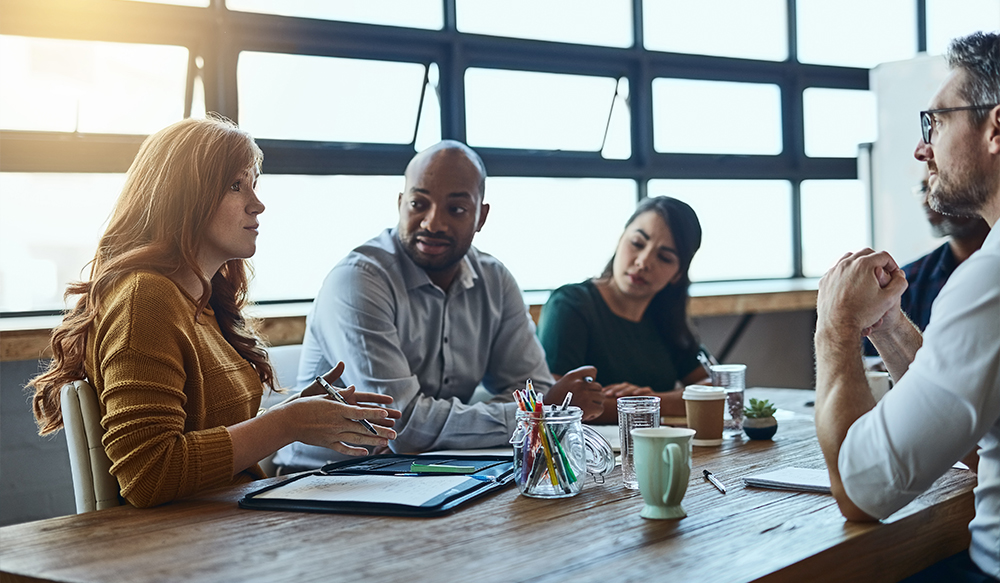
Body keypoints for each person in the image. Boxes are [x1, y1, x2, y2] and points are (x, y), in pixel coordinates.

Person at [27, 116, 398, 508]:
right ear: (183, 197)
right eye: (236, 185)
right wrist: (287, 424)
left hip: (232, 521)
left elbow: (207, 432)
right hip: (189, 538)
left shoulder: (201, 302)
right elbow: (149, 475)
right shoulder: (144, 299)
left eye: (253, 184)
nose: (257, 204)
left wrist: (298, 412)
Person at [272, 140, 604, 472]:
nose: (432, 224)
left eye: (456, 209)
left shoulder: (495, 280)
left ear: (481, 216)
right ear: (400, 204)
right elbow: (402, 426)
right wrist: (530, 414)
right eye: (418, 204)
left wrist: (530, 410)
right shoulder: (358, 279)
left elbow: (532, 389)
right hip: (319, 481)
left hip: (425, 471)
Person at [814, 31, 999, 580]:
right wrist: (888, 325)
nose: (923, 149)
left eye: (935, 123)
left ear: (996, 129)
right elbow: (973, 434)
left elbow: (860, 491)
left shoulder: (989, 279)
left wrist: (837, 325)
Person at [537, 196, 711, 424]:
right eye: (637, 243)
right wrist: (651, 405)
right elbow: (559, 405)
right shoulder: (571, 304)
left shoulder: (666, 317)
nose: (643, 262)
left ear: (678, 274)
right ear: (620, 239)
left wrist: (650, 400)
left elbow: (717, 387)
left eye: (664, 257)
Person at [863, 175, 990, 357]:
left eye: (940, 185)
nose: (926, 200)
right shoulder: (906, 282)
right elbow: (870, 360)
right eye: (924, 189)